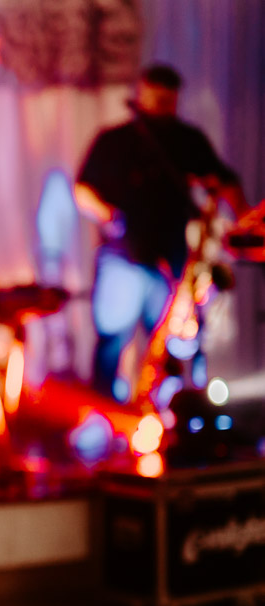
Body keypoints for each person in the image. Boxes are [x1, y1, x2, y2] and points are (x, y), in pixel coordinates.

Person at [75, 63, 247, 401]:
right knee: (113, 338)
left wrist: (245, 225)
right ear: (142, 92)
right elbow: (82, 189)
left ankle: (166, 411)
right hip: (122, 254)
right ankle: (102, 413)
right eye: (155, 96)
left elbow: (225, 181)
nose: (161, 104)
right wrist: (110, 216)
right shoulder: (114, 140)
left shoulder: (188, 141)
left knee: (172, 341)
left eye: (168, 98)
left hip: (171, 258)